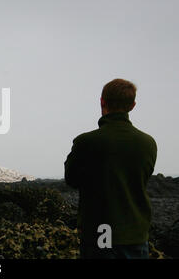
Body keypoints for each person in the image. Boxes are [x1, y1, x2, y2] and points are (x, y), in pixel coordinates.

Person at [64, 79, 157, 259]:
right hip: (136, 235)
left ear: (102, 101)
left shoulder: (86, 141)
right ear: (132, 106)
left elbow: (71, 179)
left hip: (101, 234)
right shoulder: (148, 143)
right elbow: (141, 179)